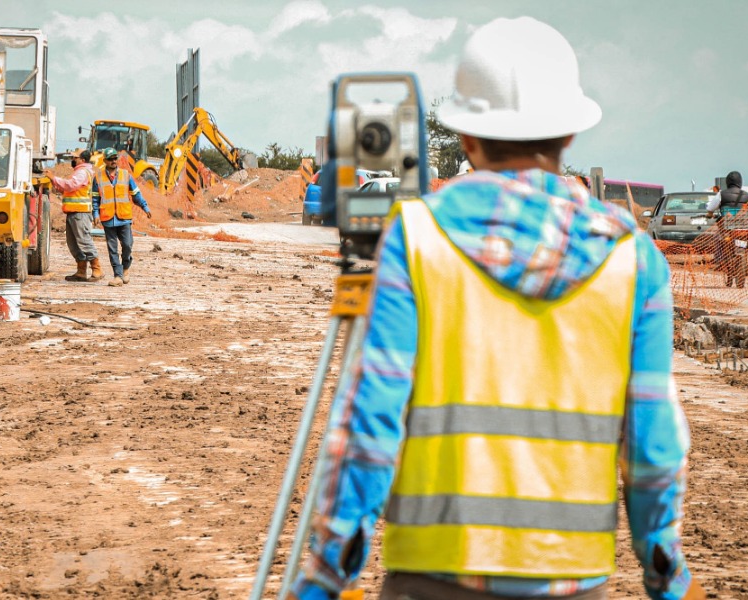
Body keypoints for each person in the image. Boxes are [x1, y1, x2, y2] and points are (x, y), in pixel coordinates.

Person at [291, 17, 703, 600]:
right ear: (569, 136)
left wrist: (327, 575)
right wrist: (667, 577)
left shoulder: (416, 239)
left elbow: (370, 423)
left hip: (431, 578)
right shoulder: (633, 260)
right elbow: (654, 444)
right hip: (575, 580)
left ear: (465, 136)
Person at [92, 149, 152, 287]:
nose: (113, 161)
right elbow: (95, 198)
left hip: (124, 217)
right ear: (105, 161)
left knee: (127, 245)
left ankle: (125, 267)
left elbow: (136, 194)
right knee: (112, 249)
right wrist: (95, 214)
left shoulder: (126, 176)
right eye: (110, 159)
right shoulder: (98, 177)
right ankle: (117, 275)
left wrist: (145, 207)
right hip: (108, 218)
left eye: (115, 158)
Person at [50, 149, 103, 282]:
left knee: (84, 241)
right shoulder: (78, 172)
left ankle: (97, 269)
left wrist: (54, 178)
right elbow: (68, 188)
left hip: (80, 212)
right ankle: (81, 270)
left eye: (75, 157)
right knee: (73, 243)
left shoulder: (82, 172)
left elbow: (71, 185)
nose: (73, 159)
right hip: (73, 212)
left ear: (82, 160)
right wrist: (55, 183)